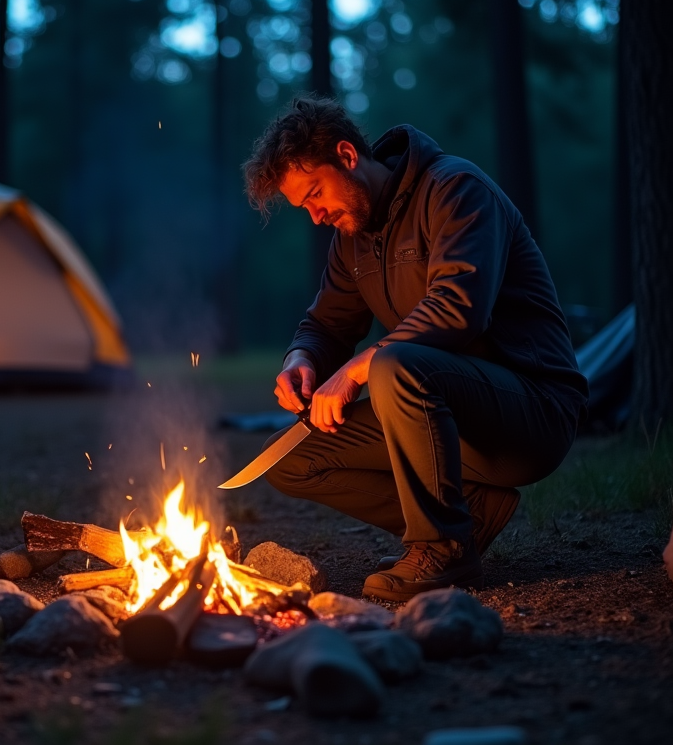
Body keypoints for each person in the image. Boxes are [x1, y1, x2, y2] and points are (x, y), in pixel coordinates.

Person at [242, 96, 588, 602]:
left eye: (315, 194)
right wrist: (304, 360)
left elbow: (458, 307)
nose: (316, 216)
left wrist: (360, 367)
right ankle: (467, 517)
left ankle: (443, 549)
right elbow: (328, 324)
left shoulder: (455, 189)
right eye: (305, 208)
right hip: (441, 414)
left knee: (393, 365)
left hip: (530, 411)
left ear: (347, 155)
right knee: (292, 460)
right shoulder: (351, 236)